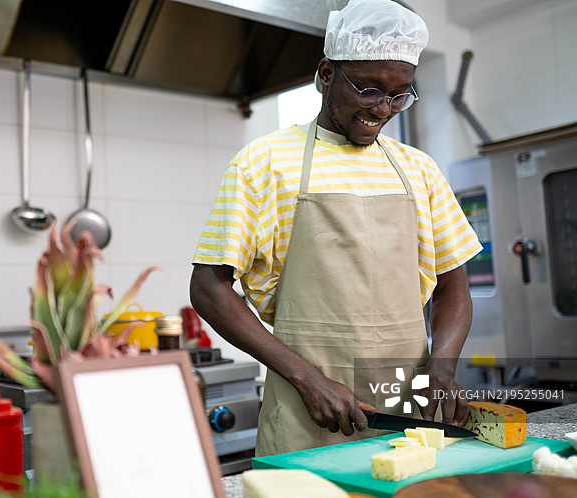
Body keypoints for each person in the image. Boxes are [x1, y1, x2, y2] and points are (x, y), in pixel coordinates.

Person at [190, 0, 482, 456]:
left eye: (399, 94)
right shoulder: (263, 163)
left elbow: (453, 283)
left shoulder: (419, 170)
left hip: (407, 419)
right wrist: (307, 379)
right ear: (326, 74)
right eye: (368, 89)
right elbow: (209, 286)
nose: (383, 108)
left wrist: (441, 367)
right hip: (305, 418)